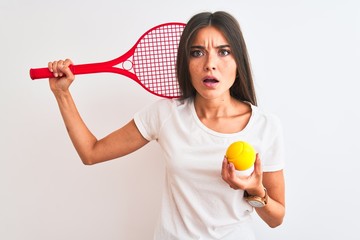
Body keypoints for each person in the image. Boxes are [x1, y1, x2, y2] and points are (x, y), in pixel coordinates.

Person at [48, 11, 285, 240]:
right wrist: (62, 94)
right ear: (186, 62)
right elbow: (91, 152)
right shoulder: (165, 114)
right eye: (197, 53)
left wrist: (255, 191)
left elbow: (276, 219)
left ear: (238, 61)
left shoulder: (265, 126)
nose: (210, 64)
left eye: (224, 52)